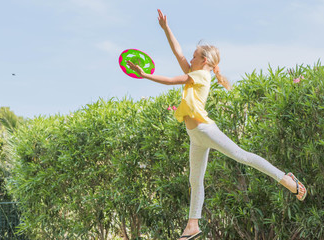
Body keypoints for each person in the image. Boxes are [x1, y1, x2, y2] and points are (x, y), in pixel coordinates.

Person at [127, 9, 307, 240]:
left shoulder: (202, 75)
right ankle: (192, 226)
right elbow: (179, 53)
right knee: (195, 180)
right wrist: (166, 29)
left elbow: (174, 80)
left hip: (205, 130)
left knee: (243, 156)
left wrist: (146, 75)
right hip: (195, 136)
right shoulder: (195, 70)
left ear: (204, 61)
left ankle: (287, 179)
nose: (190, 59)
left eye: (194, 56)